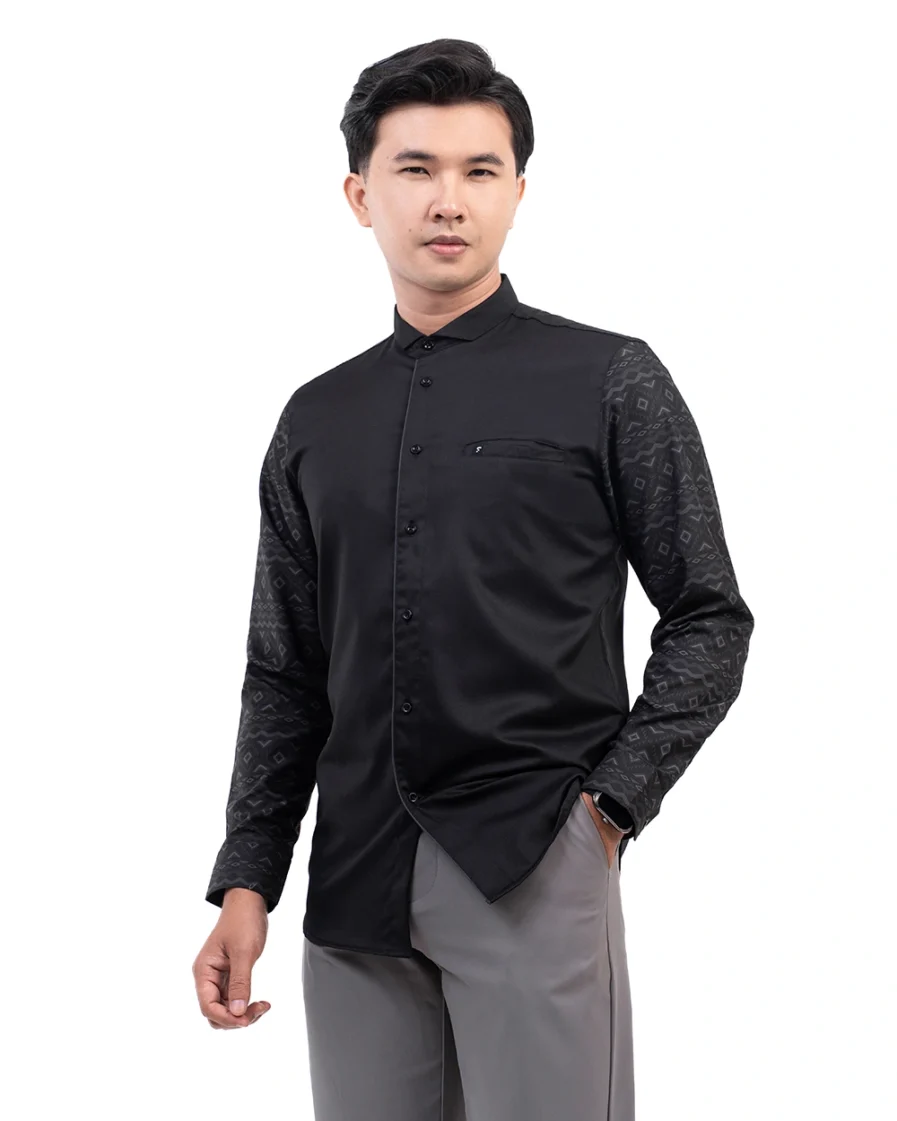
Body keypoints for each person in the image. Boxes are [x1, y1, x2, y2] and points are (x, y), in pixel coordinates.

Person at [192, 37, 754, 1121]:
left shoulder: (609, 377)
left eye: (479, 169)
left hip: (533, 857)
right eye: (415, 168)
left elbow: (708, 614)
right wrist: (247, 877)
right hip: (353, 882)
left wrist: (607, 809)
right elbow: (285, 670)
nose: (447, 199)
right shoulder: (315, 418)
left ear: (518, 192)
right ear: (360, 195)